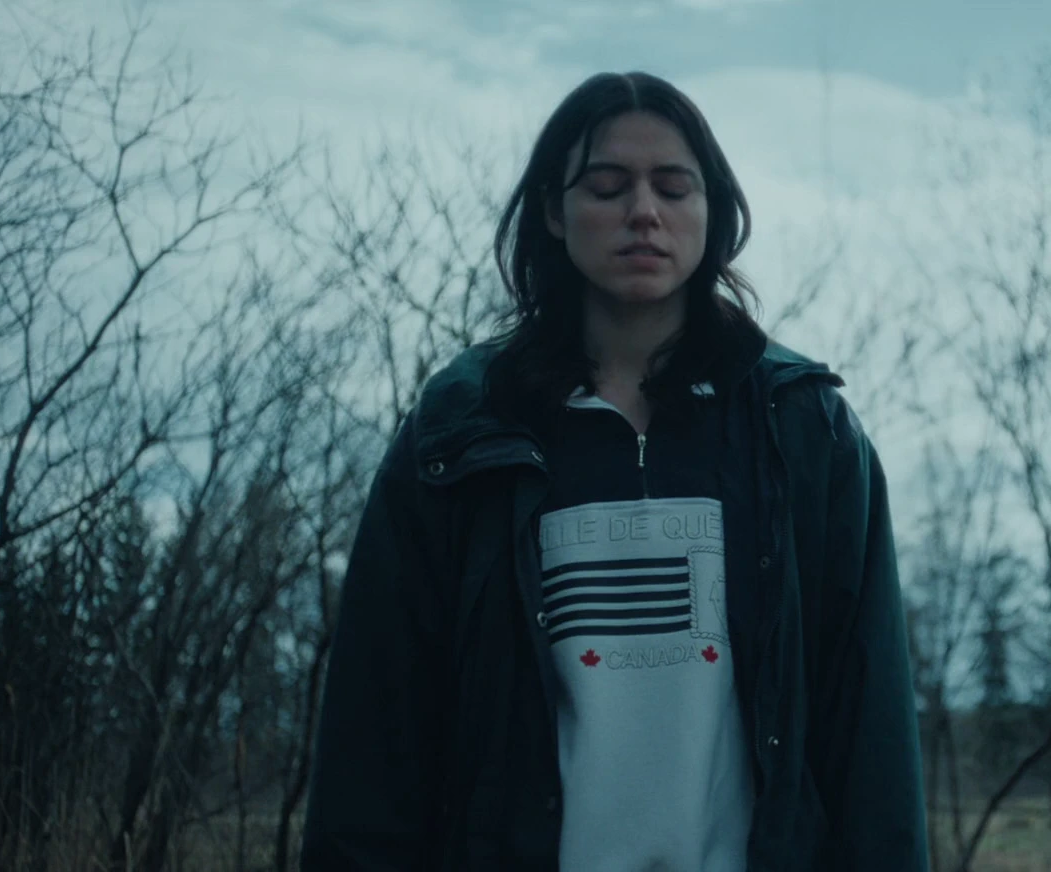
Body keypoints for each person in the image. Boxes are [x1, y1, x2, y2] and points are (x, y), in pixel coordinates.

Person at [300, 71, 928, 871]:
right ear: (553, 211)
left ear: (713, 212)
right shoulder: (463, 430)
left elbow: (869, 731)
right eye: (606, 186)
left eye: (674, 187)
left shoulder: (803, 428)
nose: (643, 211)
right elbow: (378, 731)